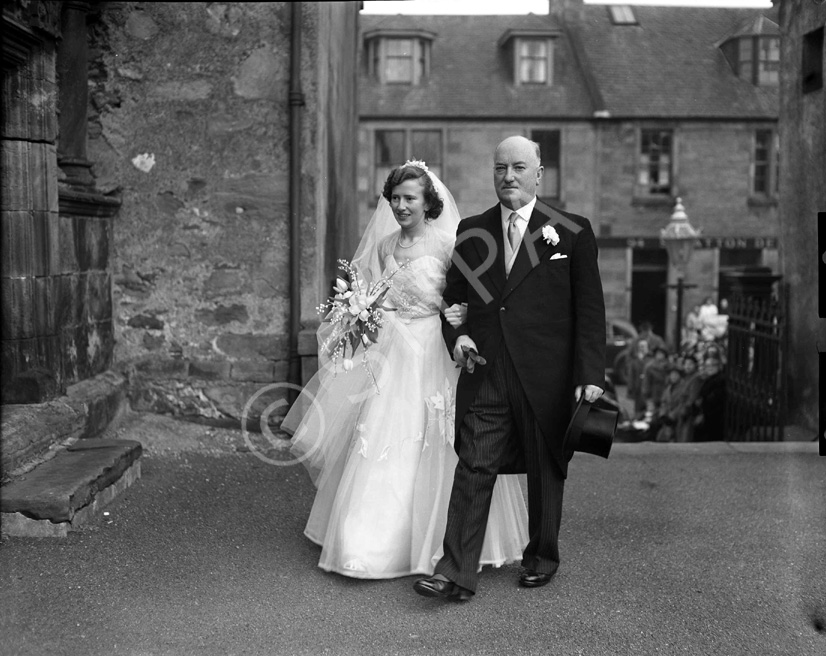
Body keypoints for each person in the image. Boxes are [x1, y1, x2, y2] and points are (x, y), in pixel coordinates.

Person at [281, 162, 529, 579]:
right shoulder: (384, 247)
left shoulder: (449, 242)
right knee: (383, 439)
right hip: (394, 351)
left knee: (443, 441)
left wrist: (462, 318)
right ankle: (370, 541)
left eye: (409, 198)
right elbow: (379, 298)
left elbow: (470, 295)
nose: (400, 206)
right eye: (395, 198)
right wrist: (360, 316)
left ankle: (446, 543)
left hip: (435, 349)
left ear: (427, 201)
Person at [413, 136, 606, 602]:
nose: (509, 176)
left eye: (519, 167)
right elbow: (453, 301)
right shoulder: (472, 231)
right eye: (500, 168)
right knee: (475, 464)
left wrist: (591, 375)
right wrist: (456, 336)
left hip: (547, 374)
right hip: (488, 370)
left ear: (539, 174)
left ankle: (541, 557)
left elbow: (590, 310)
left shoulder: (571, 231)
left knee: (545, 468)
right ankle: (455, 573)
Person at [693, 357, 726, 441]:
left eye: (713, 365)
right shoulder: (709, 379)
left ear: (718, 367)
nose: (710, 368)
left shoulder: (719, 380)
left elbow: (714, 398)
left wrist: (702, 403)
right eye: (707, 366)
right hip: (707, 414)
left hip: (714, 416)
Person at [625, 339, 651, 420]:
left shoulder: (651, 359)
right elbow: (631, 375)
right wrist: (630, 387)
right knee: (638, 409)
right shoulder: (635, 360)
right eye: (640, 347)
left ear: (647, 347)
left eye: (643, 346)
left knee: (649, 409)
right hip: (638, 388)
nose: (641, 348)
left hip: (649, 388)